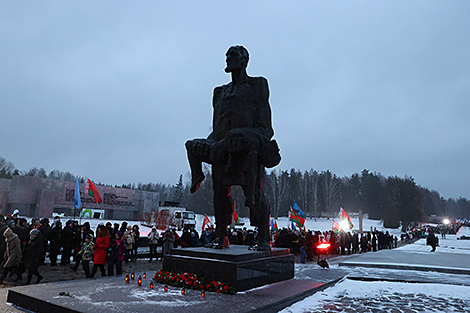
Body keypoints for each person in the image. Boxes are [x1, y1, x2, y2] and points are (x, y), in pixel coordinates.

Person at [185, 46, 280, 250]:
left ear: (244, 61)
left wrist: (247, 136)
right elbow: (217, 126)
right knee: (219, 192)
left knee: (254, 192)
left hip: (246, 148)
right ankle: (221, 235)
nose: (228, 59)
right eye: (227, 56)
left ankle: (263, 237)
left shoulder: (257, 85)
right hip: (222, 147)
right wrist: (208, 143)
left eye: (233, 56)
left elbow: (266, 127)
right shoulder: (219, 92)